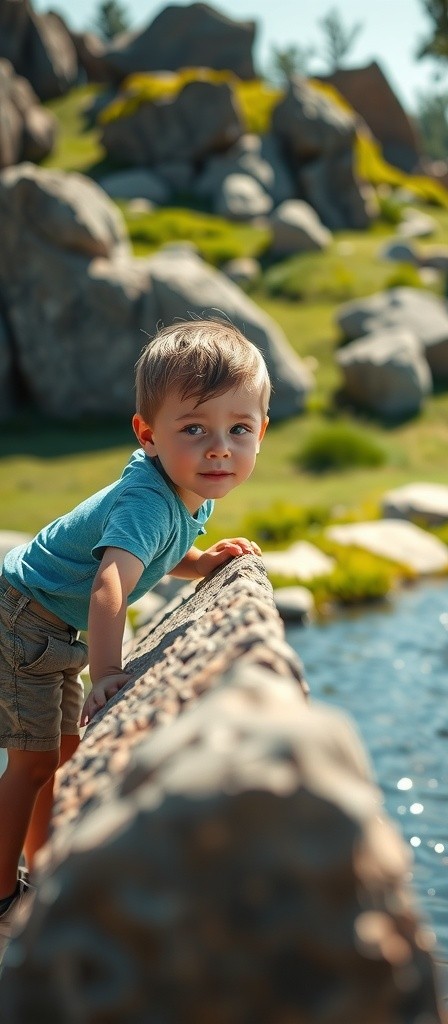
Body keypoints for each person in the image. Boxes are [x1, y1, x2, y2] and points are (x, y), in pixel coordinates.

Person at [0, 318, 270, 958]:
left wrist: (198, 562)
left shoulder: (183, 487)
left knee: (61, 755)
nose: (219, 450)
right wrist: (107, 674)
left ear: (262, 432)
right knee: (33, 760)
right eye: (195, 429)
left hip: (46, 619)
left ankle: (45, 867)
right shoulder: (151, 499)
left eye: (240, 429)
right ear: (148, 435)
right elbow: (107, 586)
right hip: (24, 618)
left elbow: (151, 551)